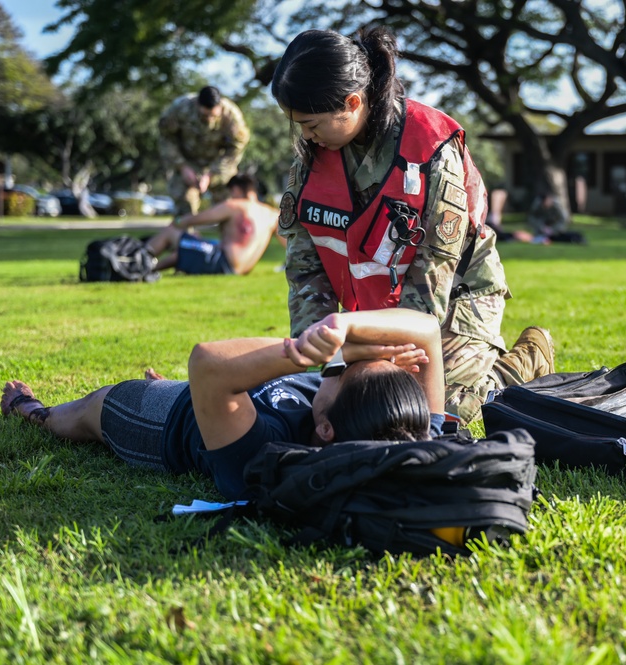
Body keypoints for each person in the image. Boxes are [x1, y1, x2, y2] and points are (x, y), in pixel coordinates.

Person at [271, 27, 554, 424]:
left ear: (352, 102)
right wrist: (330, 364)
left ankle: (524, 360)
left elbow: (430, 285)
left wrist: (382, 357)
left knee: (436, 409)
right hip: (376, 307)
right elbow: (305, 272)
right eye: (297, 123)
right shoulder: (314, 155)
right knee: (351, 402)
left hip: (456, 299)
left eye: (312, 123)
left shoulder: (430, 151)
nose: (305, 135)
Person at [0, 309, 446, 501]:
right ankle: (202, 397)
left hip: (163, 421)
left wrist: (335, 353)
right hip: (232, 395)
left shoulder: (266, 459)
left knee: (82, 412)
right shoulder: (413, 432)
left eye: (348, 375)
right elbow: (426, 329)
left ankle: (29, 409)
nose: (369, 356)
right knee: (214, 388)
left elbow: (208, 363)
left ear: (326, 429)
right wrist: (347, 330)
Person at [143, 173, 283, 276]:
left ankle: (138, 261)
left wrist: (178, 222)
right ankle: (149, 268)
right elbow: (288, 244)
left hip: (224, 263)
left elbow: (198, 219)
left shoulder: (235, 206)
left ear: (236, 190)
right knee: (190, 245)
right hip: (242, 269)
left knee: (171, 232)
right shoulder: (272, 214)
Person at [159, 85, 251, 221]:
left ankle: (229, 239)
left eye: (213, 116)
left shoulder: (231, 115)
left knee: (229, 203)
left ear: (220, 106)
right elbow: (166, 138)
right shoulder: (180, 108)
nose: (209, 120)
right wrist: (182, 166)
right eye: (205, 115)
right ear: (197, 104)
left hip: (219, 164)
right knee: (184, 202)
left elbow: (236, 147)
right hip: (187, 162)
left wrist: (211, 174)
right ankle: (184, 237)